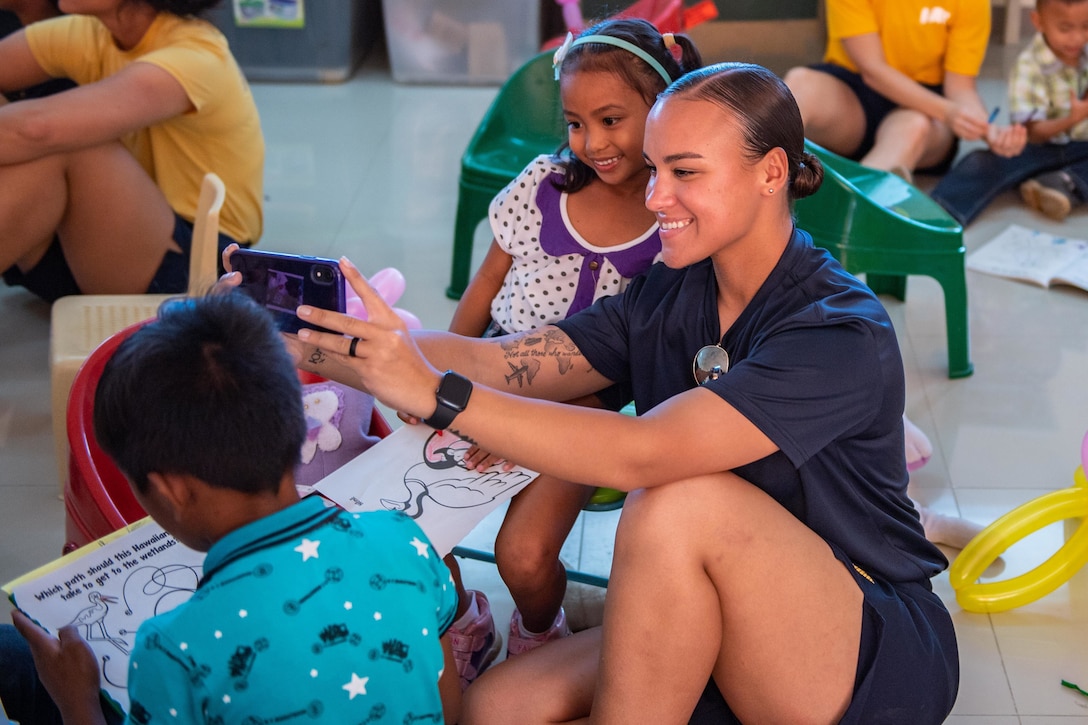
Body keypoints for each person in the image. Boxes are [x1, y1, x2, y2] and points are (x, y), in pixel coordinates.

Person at [289, 62, 959, 723]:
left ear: (771, 172)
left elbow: (643, 451)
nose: (654, 196)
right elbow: (506, 360)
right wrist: (305, 336)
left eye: (685, 171)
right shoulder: (670, 290)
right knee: (498, 707)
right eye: (655, 168)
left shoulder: (837, 331)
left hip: (858, 641)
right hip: (709, 604)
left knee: (676, 500)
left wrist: (437, 394)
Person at [1, 292, 460, 724]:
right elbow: (446, 702)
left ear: (170, 490)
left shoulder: (173, 649)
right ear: (299, 423)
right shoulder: (405, 540)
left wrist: (76, 703)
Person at [442, 17, 702, 690]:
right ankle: (460, 617)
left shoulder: (673, 215)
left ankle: (538, 629)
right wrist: (447, 384)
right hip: (491, 373)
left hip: (590, 405)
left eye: (613, 119)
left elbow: (643, 361)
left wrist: (512, 417)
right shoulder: (542, 185)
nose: (592, 143)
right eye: (577, 123)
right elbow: (486, 286)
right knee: (412, 527)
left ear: (663, 106)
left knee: (524, 557)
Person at [0, 0, 263, 302]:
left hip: (198, 264)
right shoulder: (91, 33)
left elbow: (37, 129)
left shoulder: (195, 56)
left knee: (76, 145)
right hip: (89, 249)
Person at [782, 0, 1024, 181]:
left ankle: (860, 207)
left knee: (913, 125)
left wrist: (983, 125)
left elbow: (960, 88)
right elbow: (872, 70)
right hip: (854, 95)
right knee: (800, 83)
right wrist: (949, 111)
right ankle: (756, 176)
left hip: (925, 111)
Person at [931, 0, 1088, 224]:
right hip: (1038, 147)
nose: (1077, 38)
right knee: (983, 162)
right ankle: (939, 216)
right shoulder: (1028, 67)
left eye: (1086, 26)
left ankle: (1062, 183)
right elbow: (1034, 134)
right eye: (1065, 29)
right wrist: (1073, 119)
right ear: (1038, 21)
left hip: (1081, 146)